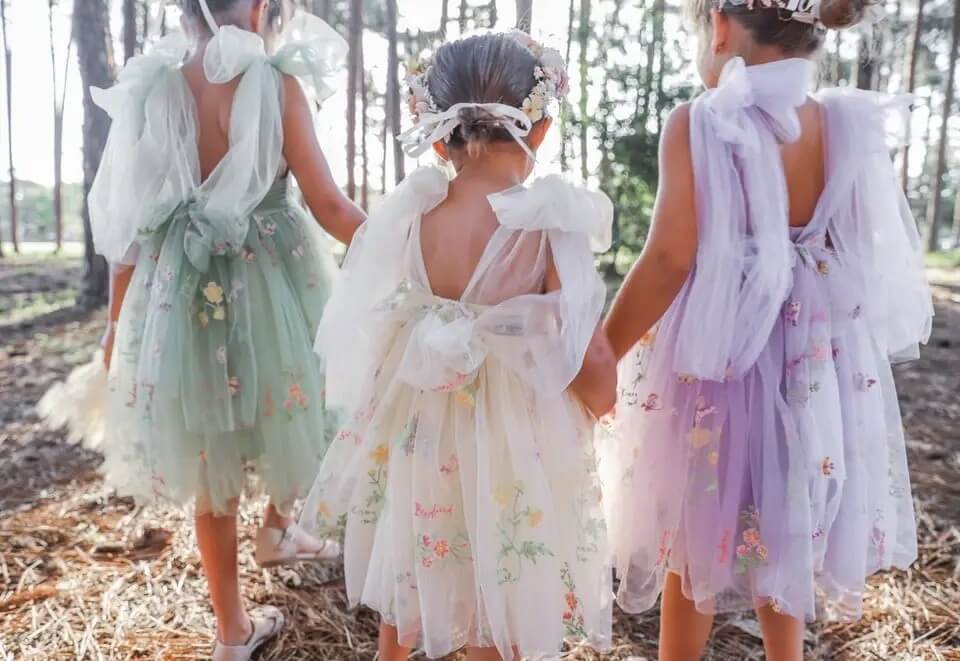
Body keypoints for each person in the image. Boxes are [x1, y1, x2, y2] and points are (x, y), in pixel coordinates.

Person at [600, 0, 934, 658]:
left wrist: (604, 350)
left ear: (720, 25)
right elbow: (850, 247)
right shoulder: (841, 121)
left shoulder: (700, 122)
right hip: (811, 361)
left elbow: (670, 256)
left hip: (719, 363)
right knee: (786, 516)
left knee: (696, 524)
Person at [301, 31, 617, 661]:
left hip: (423, 428)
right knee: (500, 572)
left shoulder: (416, 212)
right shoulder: (550, 219)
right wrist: (603, 402)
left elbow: (379, 316)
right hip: (516, 436)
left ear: (436, 130)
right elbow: (585, 350)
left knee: (416, 555)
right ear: (543, 126)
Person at [87, 0, 365, 657]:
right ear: (263, 7)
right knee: (304, 399)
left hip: (179, 289)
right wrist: (405, 245)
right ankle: (278, 525)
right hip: (277, 279)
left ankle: (232, 628)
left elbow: (128, 229)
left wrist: (114, 323)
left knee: (213, 456)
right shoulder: (277, 81)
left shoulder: (156, 88)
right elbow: (327, 203)